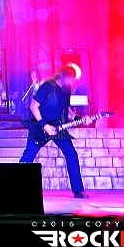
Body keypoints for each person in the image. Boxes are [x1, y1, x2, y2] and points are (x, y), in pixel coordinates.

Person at [19, 65, 88, 198]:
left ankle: (78, 190)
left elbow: (67, 112)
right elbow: (33, 106)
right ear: (65, 76)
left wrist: (80, 118)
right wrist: (44, 125)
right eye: (71, 78)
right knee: (28, 156)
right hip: (40, 126)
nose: (73, 82)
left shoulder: (66, 91)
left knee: (71, 154)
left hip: (57, 127)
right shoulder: (47, 86)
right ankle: (17, 186)